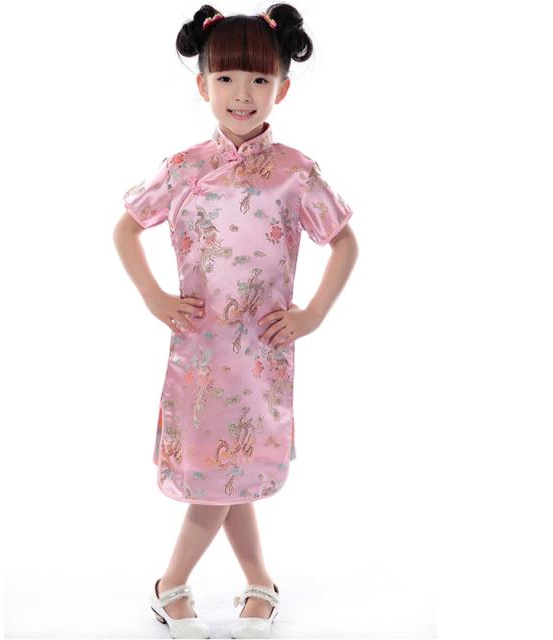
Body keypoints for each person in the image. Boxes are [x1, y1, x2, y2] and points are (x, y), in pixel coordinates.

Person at [113, 4, 359, 638]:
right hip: (199, 350)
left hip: (262, 350)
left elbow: (343, 242)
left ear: (282, 87)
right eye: (225, 78)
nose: (242, 94)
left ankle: (186, 585)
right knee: (214, 468)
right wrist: (154, 297)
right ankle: (209, 584)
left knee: (237, 465)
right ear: (203, 86)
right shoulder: (183, 168)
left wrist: (313, 313)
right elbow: (126, 229)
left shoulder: (295, 172)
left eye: (258, 79)